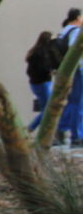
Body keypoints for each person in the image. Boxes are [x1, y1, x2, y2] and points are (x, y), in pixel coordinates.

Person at [55, 8, 82, 146]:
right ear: (78, 17)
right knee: (78, 103)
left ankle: (61, 129)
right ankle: (77, 136)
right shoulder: (76, 31)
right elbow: (74, 49)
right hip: (78, 69)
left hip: (69, 70)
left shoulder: (64, 30)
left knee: (72, 102)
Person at [25, 32, 61, 131]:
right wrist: (50, 71)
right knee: (48, 110)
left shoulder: (34, 52)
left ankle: (35, 129)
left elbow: (29, 71)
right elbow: (47, 66)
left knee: (45, 109)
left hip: (35, 83)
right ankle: (31, 128)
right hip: (43, 83)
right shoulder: (44, 53)